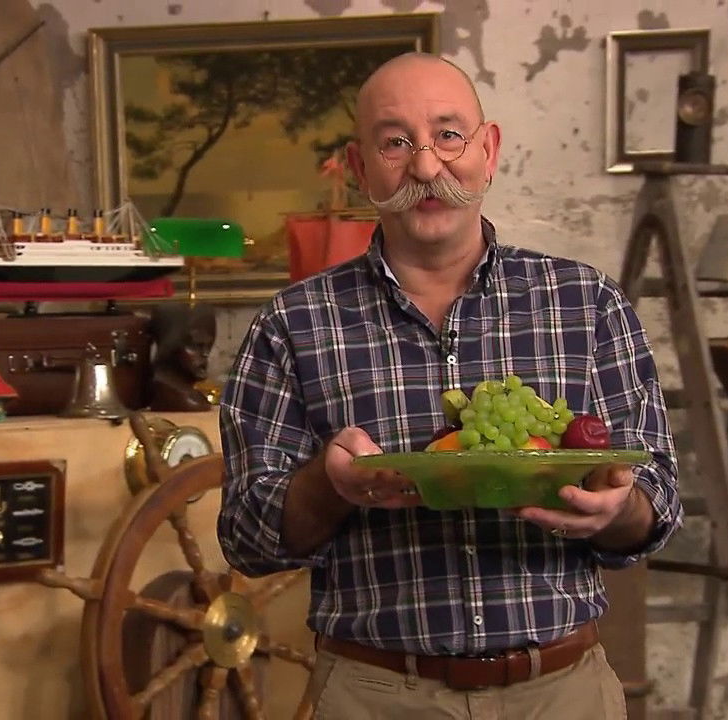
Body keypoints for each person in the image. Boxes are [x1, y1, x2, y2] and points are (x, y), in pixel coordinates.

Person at [219, 52, 681, 719]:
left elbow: (657, 501)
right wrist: (328, 484)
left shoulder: (588, 303)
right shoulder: (292, 323)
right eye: (395, 143)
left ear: (488, 150)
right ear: (359, 169)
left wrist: (618, 509)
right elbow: (244, 537)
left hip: (563, 693)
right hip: (373, 697)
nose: (427, 166)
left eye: (449, 135)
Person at [147, 303, 217, 412]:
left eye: (208, 346)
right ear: (169, 346)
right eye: (196, 346)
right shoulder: (168, 394)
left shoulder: (194, 396)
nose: (205, 353)